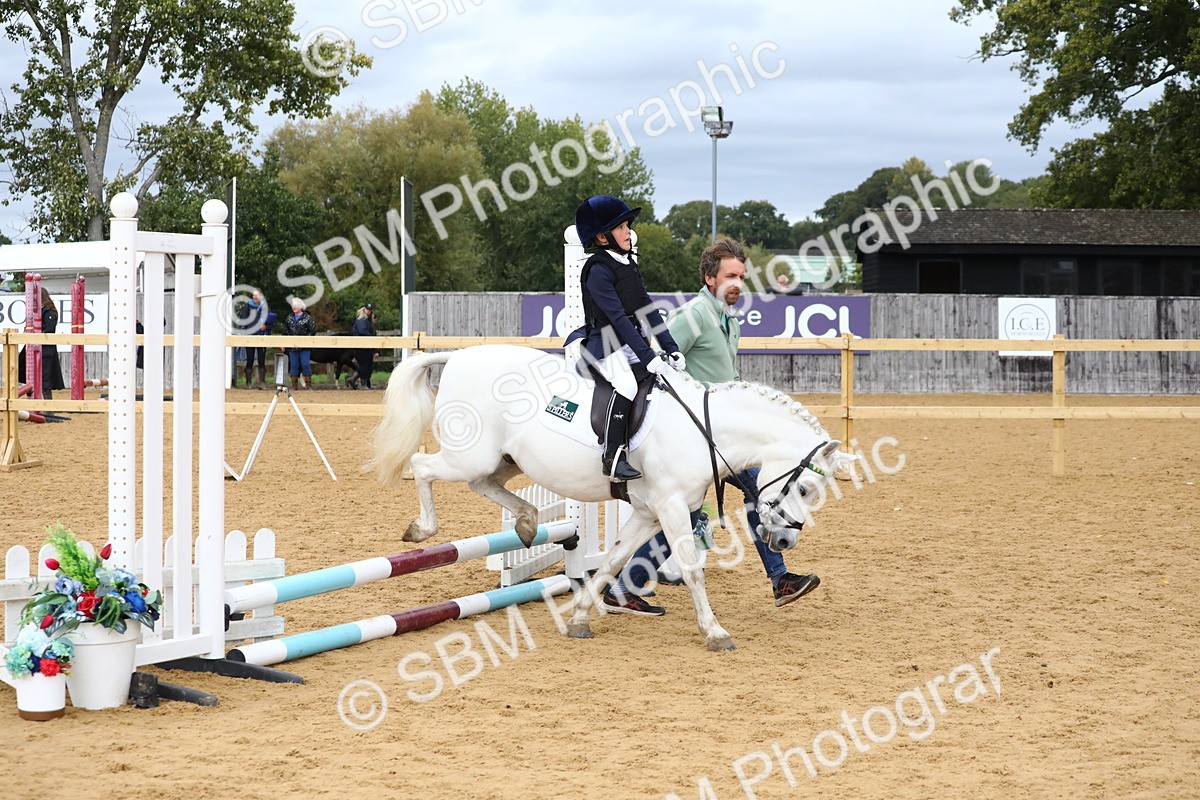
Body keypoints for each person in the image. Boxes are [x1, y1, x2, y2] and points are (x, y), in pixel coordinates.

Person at [606, 238, 821, 616]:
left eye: (741, 276)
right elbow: (661, 357)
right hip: (693, 434)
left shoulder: (727, 318)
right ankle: (779, 577)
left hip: (723, 433)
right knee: (731, 498)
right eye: (729, 276)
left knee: (742, 496)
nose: (737, 283)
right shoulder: (694, 315)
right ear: (709, 277)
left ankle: (625, 588)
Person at [566, 195, 685, 480]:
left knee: (663, 380)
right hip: (603, 343)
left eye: (627, 225)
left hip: (628, 341)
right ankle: (613, 456)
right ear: (603, 238)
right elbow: (618, 320)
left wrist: (670, 348)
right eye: (620, 227)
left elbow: (646, 307)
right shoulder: (597, 270)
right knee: (627, 386)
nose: (627, 231)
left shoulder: (628, 263)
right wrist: (648, 356)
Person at [16, 287, 66, 398]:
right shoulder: (39, 312)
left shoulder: (48, 312)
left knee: (45, 378)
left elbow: (49, 329)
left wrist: (35, 336)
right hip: (34, 346)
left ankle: (47, 408)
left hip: (45, 348)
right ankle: (32, 396)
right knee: (24, 371)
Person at [243, 290, 276, 389]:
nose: (254, 297)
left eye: (256, 295)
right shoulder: (248, 306)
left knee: (262, 359)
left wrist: (266, 326)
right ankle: (248, 382)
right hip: (250, 336)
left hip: (262, 336)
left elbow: (270, 320)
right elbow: (243, 320)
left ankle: (262, 382)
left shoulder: (265, 307)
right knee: (250, 359)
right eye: (253, 295)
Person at [282, 297, 316, 390]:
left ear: (301, 307)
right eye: (293, 306)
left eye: (296, 306)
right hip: (292, 346)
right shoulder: (289, 318)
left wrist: (305, 340)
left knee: (305, 364)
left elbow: (312, 331)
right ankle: (294, 386)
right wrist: (283, 343)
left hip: (305, 346)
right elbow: (285, 331)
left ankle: (308, 385)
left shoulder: (307, 317)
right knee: (294, 365)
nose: (294, 308)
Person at [351, 303, 377, 389]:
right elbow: (363, 331)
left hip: (366, 346)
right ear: (364, 309)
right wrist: (372, 338)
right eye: (367, 309)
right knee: (365, 366)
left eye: (370, 310)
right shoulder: (362, 320)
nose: (368, 311)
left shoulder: (368, 321)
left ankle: (362, 383)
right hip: (361, 347)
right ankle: (355, 380)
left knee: (368, 366)